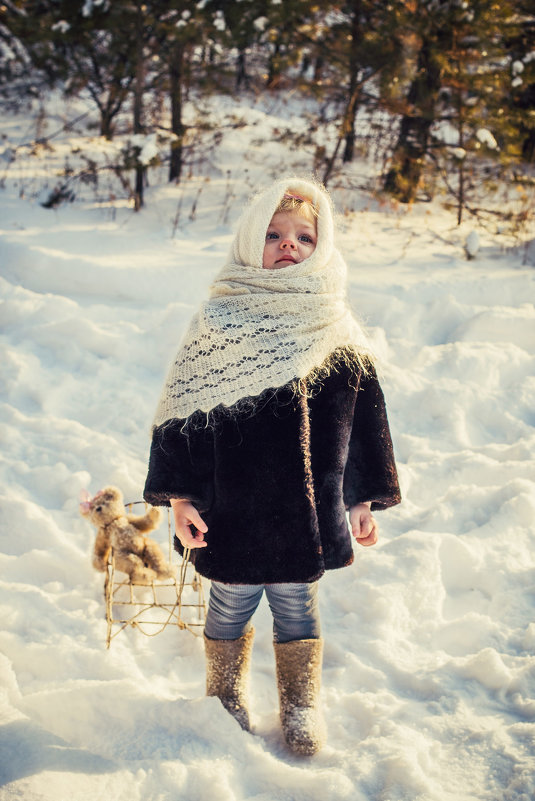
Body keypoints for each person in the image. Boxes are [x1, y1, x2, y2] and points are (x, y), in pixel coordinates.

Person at [144, 177, 401, 755]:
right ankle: (225, 691)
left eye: (305, 237)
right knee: (230, 601)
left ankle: (301, 700)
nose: (290, 246)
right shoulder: (219, 322)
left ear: (323, 245)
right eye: (273, 234)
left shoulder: (335, 327)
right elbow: (181, 418)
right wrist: (180, 498)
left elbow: (365, 424)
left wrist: (363, 498)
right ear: (246, 241)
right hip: (229, 508)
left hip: (306, 511)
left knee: (297, 606)